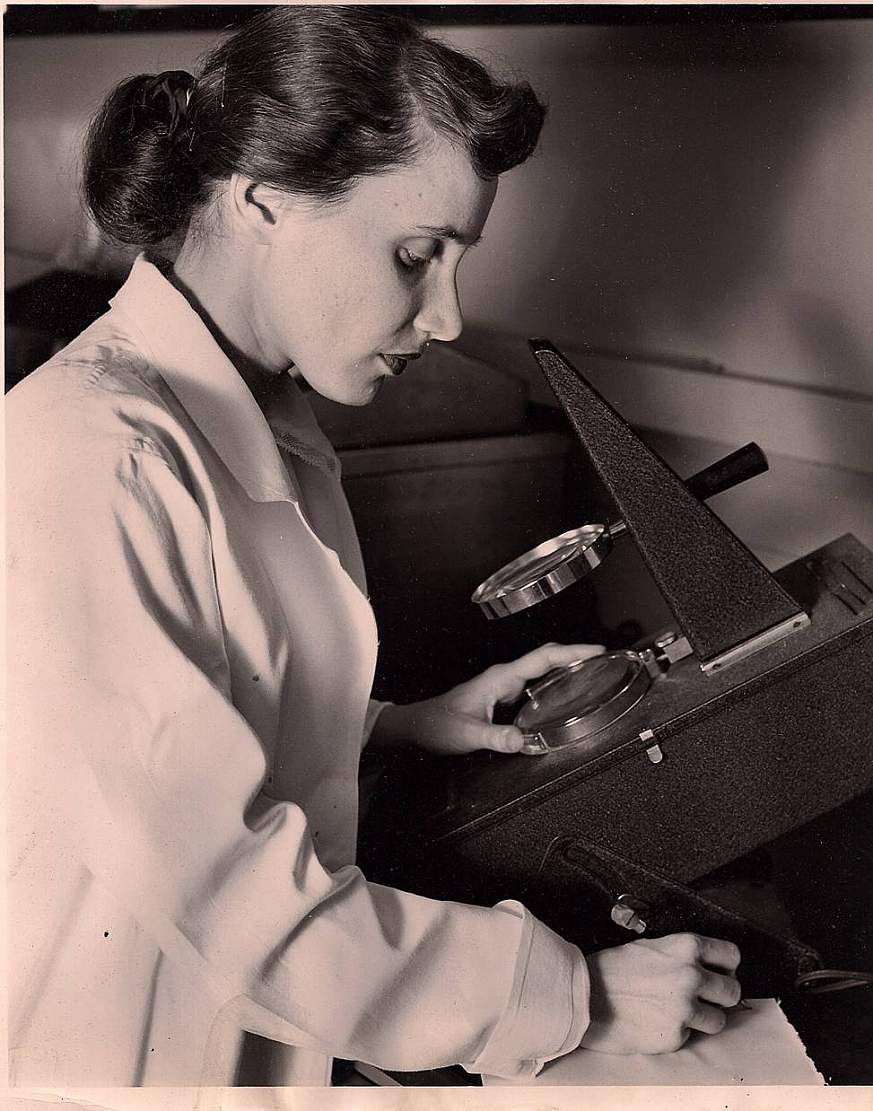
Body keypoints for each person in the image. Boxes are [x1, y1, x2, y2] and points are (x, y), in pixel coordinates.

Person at [6, 6, 741, 1090]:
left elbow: (183, 713)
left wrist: (402, 724)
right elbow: (224, 881)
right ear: (261, 203)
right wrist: (575, 997)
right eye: (415, 255)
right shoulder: (89, 451)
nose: (446, 315)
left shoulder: (259, 417)